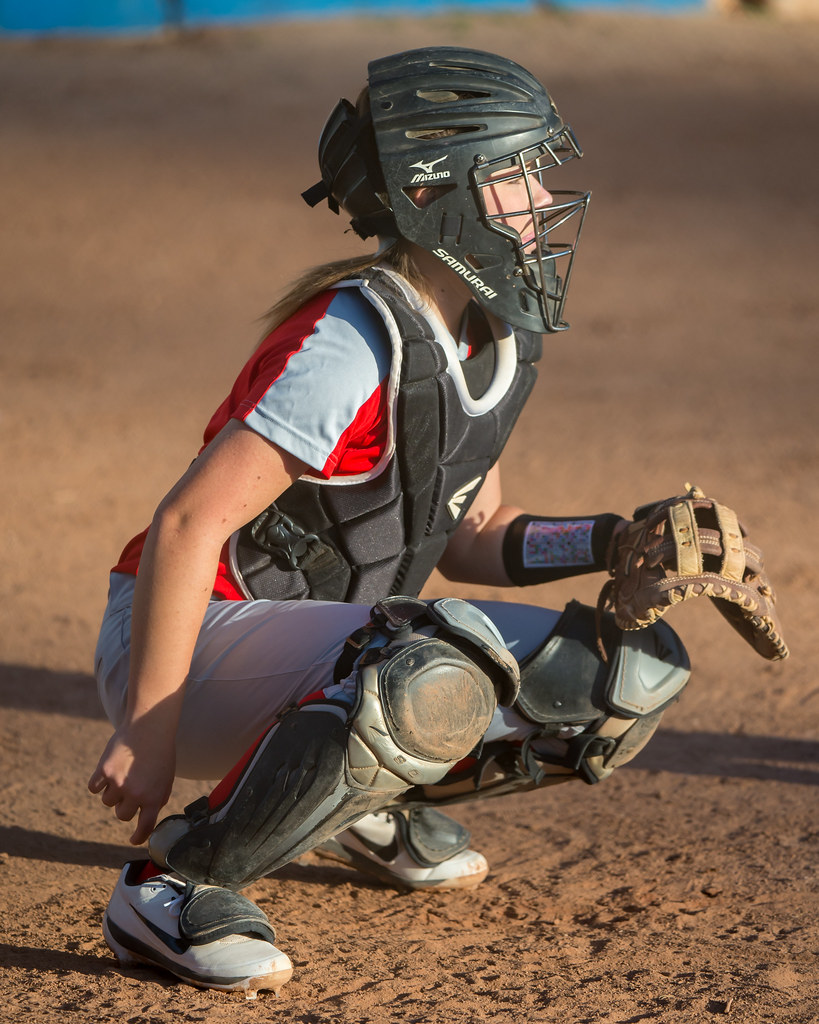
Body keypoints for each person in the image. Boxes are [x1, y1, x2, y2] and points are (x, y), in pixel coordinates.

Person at [88, 46, 691, 997]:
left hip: (309, 651)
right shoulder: (353, 339)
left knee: (625, 672)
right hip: (180, 641)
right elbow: (184, 528)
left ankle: (335, 796)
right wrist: (149, 733)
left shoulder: (488, 332)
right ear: (436, 193)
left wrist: (612, 543)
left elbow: (471, 536)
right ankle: (177, 880)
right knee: (428, 660)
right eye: (514, 175)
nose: (541, 198)